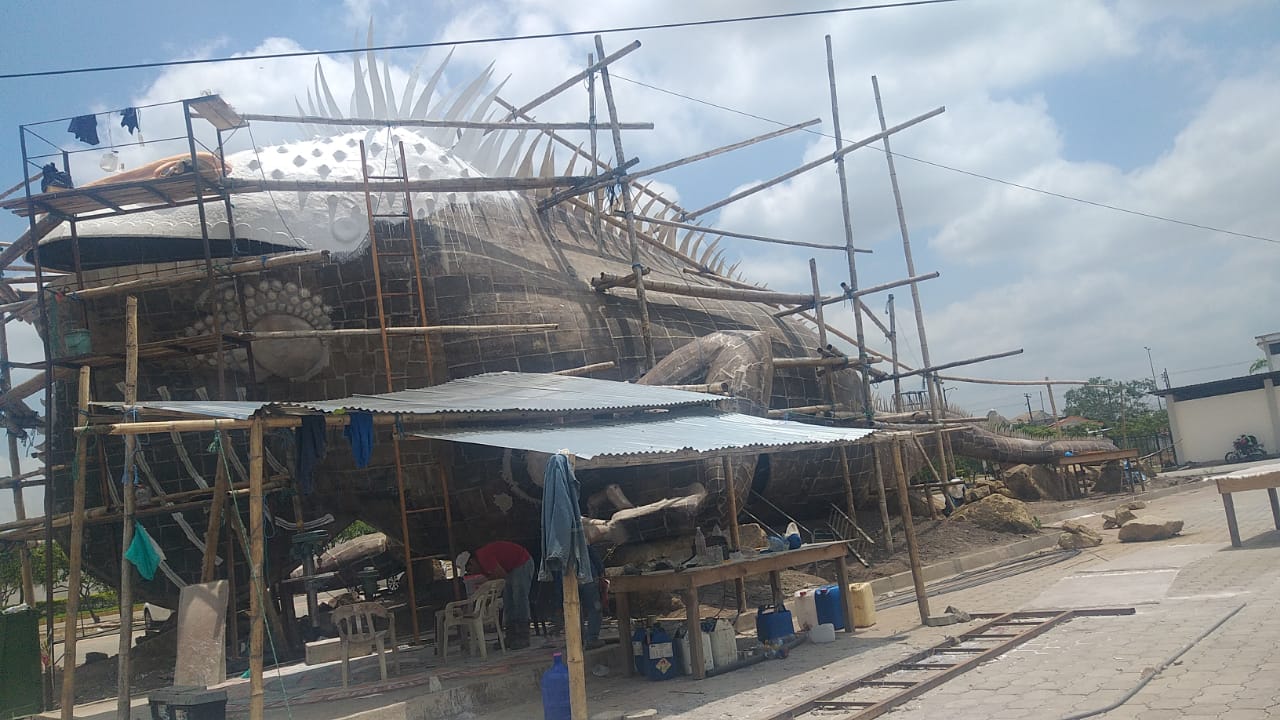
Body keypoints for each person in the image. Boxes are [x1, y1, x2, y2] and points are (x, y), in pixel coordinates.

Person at [466, 540, 535, 649]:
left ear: (472, 561)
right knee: (508, 601)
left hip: (521, 562)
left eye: (470, 570)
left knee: (519, 598)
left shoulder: (484, 557)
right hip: (510, 568)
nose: (473, 573)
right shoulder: (482, 563)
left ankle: (523, 636)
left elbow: (500, 575)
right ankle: (511, 635)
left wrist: (485, 585)